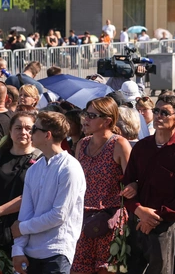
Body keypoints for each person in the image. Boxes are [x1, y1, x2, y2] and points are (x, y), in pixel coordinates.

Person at [121, 93, 175, 274]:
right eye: (156, 111)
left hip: (162, 227)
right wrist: (139, 209)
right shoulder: (141, 147)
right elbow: (126, 183)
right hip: (136, 222)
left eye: (165, 112)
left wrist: (154, 218)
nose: (158, 116)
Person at [11, 112, 87, 274]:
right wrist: (17, 250)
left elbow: (59, 215)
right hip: (31, 253)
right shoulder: (34, 169)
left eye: (34, 129)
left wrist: (23, 228)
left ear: (48, 135)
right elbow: (25, 213)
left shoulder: (70, 168)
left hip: (57, 251)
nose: (30, 133)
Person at [73, 98, 132, 274]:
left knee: (111, 270)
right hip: (82, 218)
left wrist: (132, 187)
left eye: (92, 116)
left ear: (107, 120)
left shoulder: (119, 144)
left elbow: (133, 179)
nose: (85, 119)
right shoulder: (82, 144)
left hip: (111, 221)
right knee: (77, 269)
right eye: (85, 114)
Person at [0, 112, 42, 265]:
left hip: (27, 230)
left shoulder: (41, 161)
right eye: (18, 128)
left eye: (28, 128)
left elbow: (30, 197)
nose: (23, 132)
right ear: (10, 131)